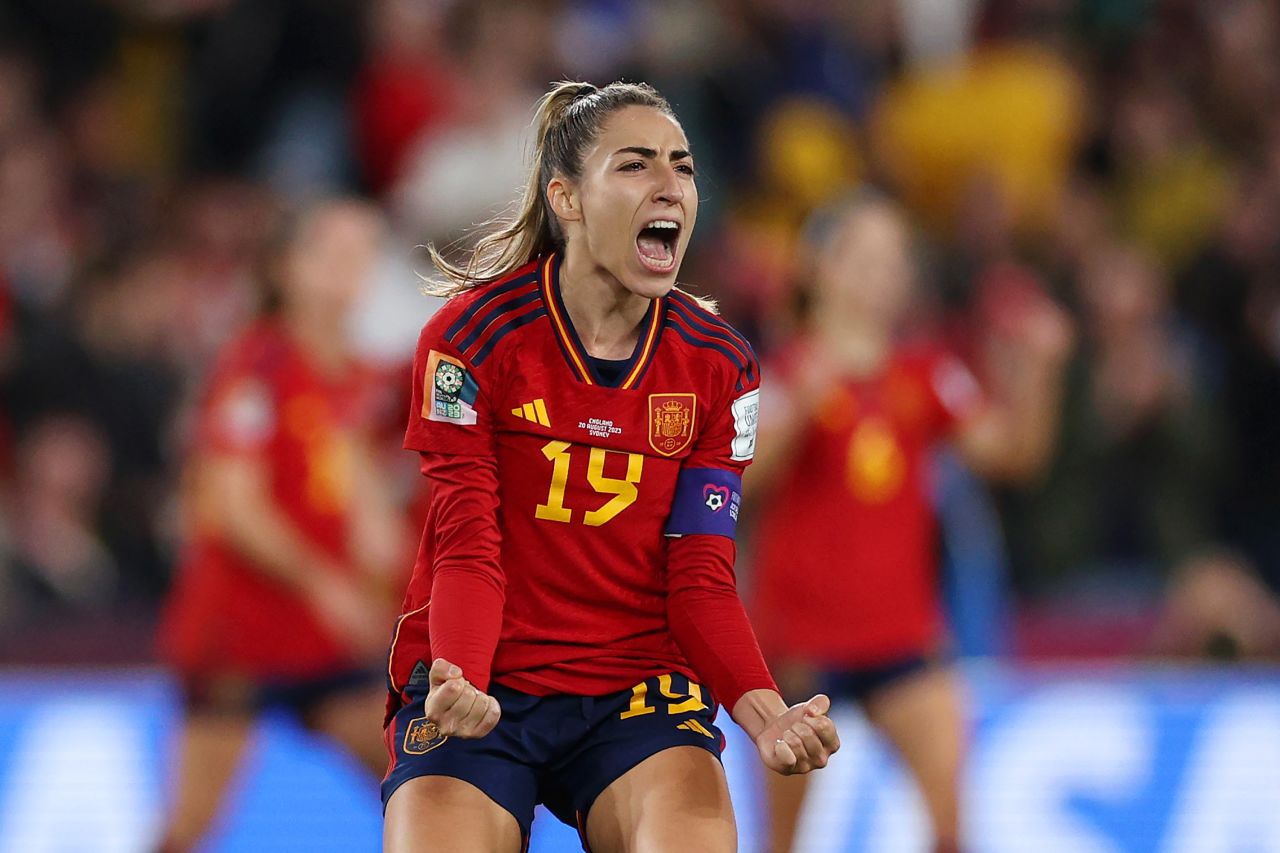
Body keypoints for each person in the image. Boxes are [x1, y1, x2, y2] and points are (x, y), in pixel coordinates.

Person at [382, 80, 840, 853]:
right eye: (635, 165)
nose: (670, 186)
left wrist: (767, 713)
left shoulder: (720, 363)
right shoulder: (472, 338)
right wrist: (459, 677)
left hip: (639, 691)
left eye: (683, 167)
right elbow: (467, 543)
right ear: (567, 198)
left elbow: (699, 572)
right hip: (484, 685)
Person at [747, 194, 1072, 853]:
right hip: (800, 643)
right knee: (782, 840)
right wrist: (802, 407)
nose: (882, 274)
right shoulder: (780, 373)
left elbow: (1014, 456)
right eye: (865, 257)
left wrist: (1040, 367)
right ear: (820, 268)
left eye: (894, 260)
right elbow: (738, 483)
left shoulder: (926, 374)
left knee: (951, 824)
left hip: (903, 638)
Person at [155, 199, 407, 852]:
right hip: (239, 632)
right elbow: (234, 505)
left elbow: (358, 498)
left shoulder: (355, 374)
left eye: (363, 253)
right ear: (288, 268)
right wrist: (327, 582)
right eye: (334, 252)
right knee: (190, 825)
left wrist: (382, 574)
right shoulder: (255, 367)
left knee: (417, 788)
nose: (353, 269)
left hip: (322, 637)